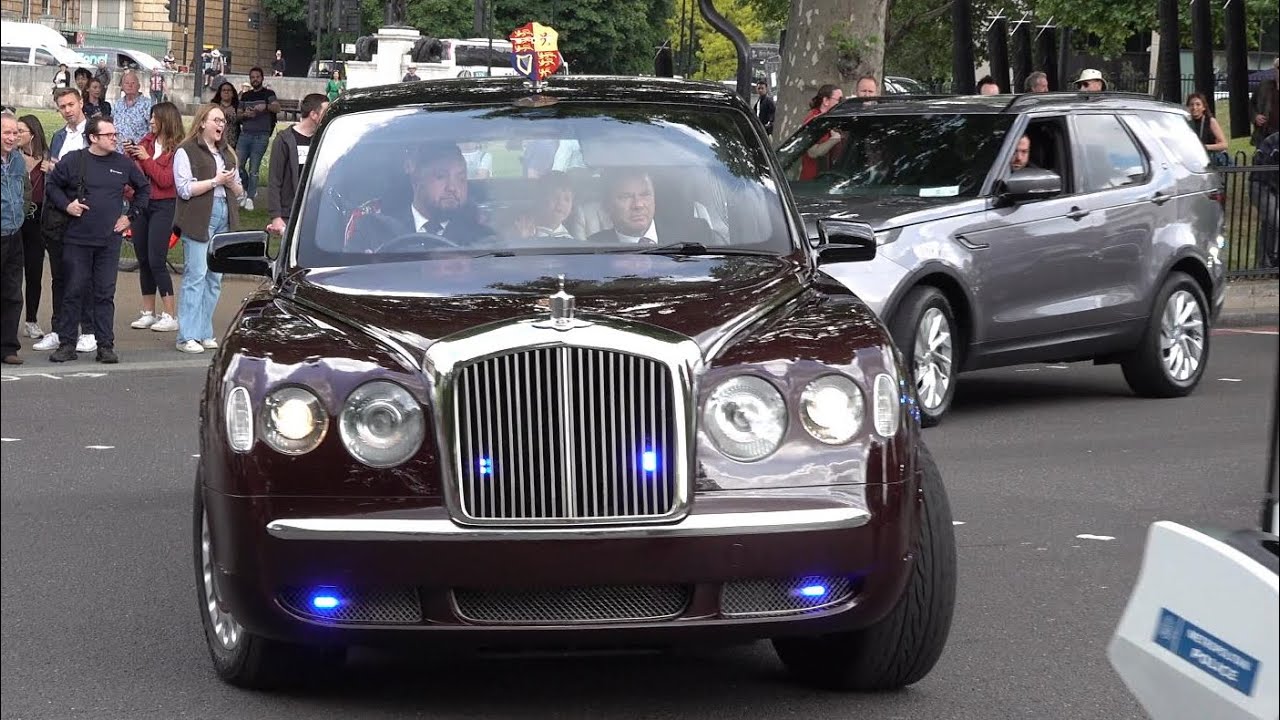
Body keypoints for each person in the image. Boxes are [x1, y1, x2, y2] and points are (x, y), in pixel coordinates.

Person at [45, 116, 151, 364]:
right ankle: (67, 343)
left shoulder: (123, 163)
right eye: (109, 135)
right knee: (73, 290)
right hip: (77, 239)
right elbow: (52, 186)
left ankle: (105, 345)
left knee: (104, 294)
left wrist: (130, 217)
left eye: (115, 133)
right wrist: (67, 205)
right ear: (93, 138)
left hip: (108, 241)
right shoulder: (74, 160)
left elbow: (144, 190)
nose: (115, 138)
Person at [172, 104, 243, 354]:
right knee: (197, 275)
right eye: (216, 120)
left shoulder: (227, 153)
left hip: (225, 215)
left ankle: (204, 331)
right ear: (202, 122)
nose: (221, 125)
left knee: (215, 278)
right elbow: (184, 189)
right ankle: (186, 336)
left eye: (223, 121)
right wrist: (215, 181)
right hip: (200, 217)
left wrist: (233, 183)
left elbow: (240, 192)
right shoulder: (186, 151)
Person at [34, 88, 96, 355]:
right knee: (59, 275)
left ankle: (89, 329)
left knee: (83, 275)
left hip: (85, 210)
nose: (67, 110)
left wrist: (58, 168)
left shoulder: (92, 134)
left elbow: (91, 172)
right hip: (59, 211)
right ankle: (60, 328)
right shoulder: (59, 136)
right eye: (62, 106)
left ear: (81, 103)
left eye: (71, 104)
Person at [124, 102, 184, 333]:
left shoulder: (178, 149)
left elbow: (166, 180)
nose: (150, 122)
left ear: (166, 120)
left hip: (164, 205)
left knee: (156, 258)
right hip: (142, 205)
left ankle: (170, 313)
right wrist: (130, 155)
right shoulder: (146, 142)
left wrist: (146, 159)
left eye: (155, 118)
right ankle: (148, 311)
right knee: (143, 258)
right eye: (150, 118)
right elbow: (132, 174)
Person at [586, 168, 713, 246]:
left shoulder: (695, 234)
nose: (638, 205)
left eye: (645, 194)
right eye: (626, 197)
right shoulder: (592, 249)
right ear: (607, 205)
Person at [266, 93, 329, 236]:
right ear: (314, 114)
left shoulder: (322, 140)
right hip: (290, 211)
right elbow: (274, 180)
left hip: (316, 211)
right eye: (326, 112)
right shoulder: (284, 140)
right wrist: (276, 216)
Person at [16, 115, 52, 341]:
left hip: (38, 219)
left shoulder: (46, 160)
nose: (16, 134)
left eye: (21, 130)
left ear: (33, 133)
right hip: (15, 218)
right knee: (10, 273)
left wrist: (52, 171)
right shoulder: (12, 157)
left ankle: (31, 319)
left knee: (34, 271)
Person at [1, 112, 30, 365]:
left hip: (13, 234)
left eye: (15, 132)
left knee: (12, 293)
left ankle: (8, 347)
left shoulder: (18, 161)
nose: (12, 137)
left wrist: (20, 215)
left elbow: (25, 192)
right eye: (6, 133)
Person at [236, 67, 280, 211]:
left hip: (261, 135)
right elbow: (238, 114)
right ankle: (247, 188)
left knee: (254, 168)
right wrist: (245, 115)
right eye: (252, 77)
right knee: (238, 165)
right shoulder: (245, 95)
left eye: (257, 77)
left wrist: (265, 107)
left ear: (262, 78)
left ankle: (249, 198)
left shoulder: (269, 94)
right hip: (245, 134)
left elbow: (277, 108)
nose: (255, 79)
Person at [798, 84, 845, 181]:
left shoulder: (828, 119)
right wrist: (834, 140)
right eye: (839, 100)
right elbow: (813, 152)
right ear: (826, 101)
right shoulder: (814, 120)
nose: (841, 104)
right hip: (812, 183)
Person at [1250, 131, 1279, 268]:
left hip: (1273, 187)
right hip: (1261, 185)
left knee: (1268, 224)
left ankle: (1263, 265)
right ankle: (1273, 260)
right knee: (1275, 221)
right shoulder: (1273, 142)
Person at [1186, 92, 1229, 164]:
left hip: (1209, 160)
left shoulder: (1211, 121)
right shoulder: (1185, 122)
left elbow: (1224, 145)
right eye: (1191, 105)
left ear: (1203, 107)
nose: (1194, 108)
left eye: (1198, 104)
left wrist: (1205, 147)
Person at [114, 70, 153, 146]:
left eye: (133, 83)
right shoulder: (117, 104)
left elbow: (153, 131)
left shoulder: (148, 104)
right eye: (126, 83)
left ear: (139, 86)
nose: (130, 85)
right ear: (122, 86)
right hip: (118, 152)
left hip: (139, 151)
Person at [1251, 58, 1278, 146]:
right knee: (1264, 158)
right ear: (1274, 70)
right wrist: (1255, 116)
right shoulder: (1264, 86)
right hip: (1265, 133)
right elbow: (1250, 105)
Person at [211, 81, 241, 152]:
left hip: (233, 142)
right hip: (216, 141)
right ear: (220, 93)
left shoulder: (237, 107)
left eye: (229, 90)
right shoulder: (214, 106)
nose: (226, 92)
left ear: (233, 93)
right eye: (224, 90)